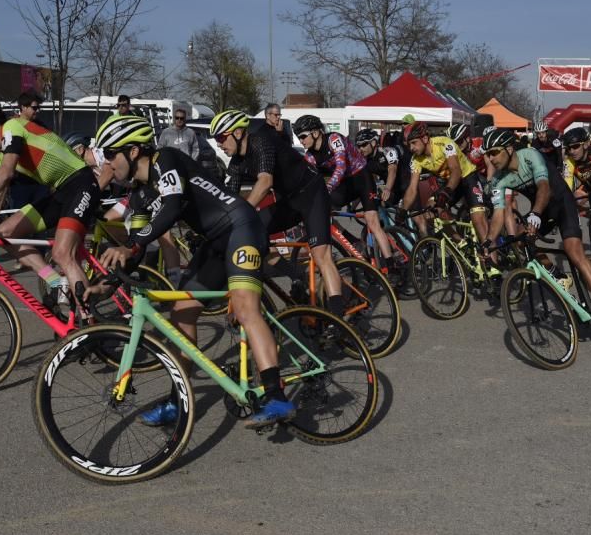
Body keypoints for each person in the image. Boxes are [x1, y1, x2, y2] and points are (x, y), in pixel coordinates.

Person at [87, 115, 297, 429]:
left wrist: (130, 246)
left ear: (133, 152)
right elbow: (138, 247)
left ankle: (276, 396)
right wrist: (108, 282)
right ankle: (177, 400)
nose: (107, 165)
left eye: (111, 154)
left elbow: (172, 206)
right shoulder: (142, 195)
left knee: (244, 307)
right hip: (215, 241)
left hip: (242, 228)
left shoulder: (166, 160)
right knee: (182, 311)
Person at [0, 95, 102, 307]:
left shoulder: (12, 126)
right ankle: (56, 283)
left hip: (80, 183)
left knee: (62, 253)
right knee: (4, 233)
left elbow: (7, 173)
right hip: (61, 192)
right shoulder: (1, 155)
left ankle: (89, 324)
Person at [481, 128, 591, 335]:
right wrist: (488, 241)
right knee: (519, 239)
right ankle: (557, 274)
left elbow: (544, 187)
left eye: (494, 152)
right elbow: (499, 213)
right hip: (542, 210)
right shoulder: (499, 179)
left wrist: (535, 213)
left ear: (509, 149)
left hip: (562, 203)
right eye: (487, 154)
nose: (490, 158)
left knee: (574, 251)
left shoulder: (530, 155)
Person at [211, 109, 347, 317]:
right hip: (290, 201)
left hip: (312, 194)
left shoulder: (260, 142)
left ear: (238, 133)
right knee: (254, 236)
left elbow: (265, 182)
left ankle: (339, 317)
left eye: (221, 137)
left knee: (321, 256)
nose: (219, 144)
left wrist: (240, 216)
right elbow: (227, 197)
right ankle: (296, 275)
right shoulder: (237, 163)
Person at [293, 115, 399, 272]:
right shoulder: (310, 156)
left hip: (362, 178)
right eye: (298, 137)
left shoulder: (334, 139)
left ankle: (392, 267)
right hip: (345, 185)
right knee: (322, 211)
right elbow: (306, 180)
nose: (301, 141)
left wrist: (327, 187)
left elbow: (341, 167)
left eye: (303, 136)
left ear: (315, 133)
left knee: (372, 221)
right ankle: (354, 241)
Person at [401, 121, 488, 242]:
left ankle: (490, 258)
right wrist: (402, 210)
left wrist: (446, 192)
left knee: (478, 221)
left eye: (414, 143)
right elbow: (412, 188)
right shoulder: (416, 160)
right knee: (430, 214)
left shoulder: (444, 144)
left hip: (467, 178)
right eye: (409, 144)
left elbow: (456, 171)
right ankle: (461, 243)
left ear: (425, 138)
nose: (411, 148)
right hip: (450, 183)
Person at [10, 91, 51, 210]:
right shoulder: (12, 125)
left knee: (41, 218)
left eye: (38, 107)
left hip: (41, 183)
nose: (37, 110)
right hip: (20, 184)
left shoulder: (42, 126)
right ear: (23, 107)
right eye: (34, 107)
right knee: (18, 219)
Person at [356, 128, 399, 206]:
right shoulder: (364, 159)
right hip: (386, 185)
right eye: (358, 146)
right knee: (376, 204)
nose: (360, 149)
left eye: (363, 145)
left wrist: (387, 189)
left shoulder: (387, 151)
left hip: (401, 183)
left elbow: (392, 170)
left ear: (373, 143)